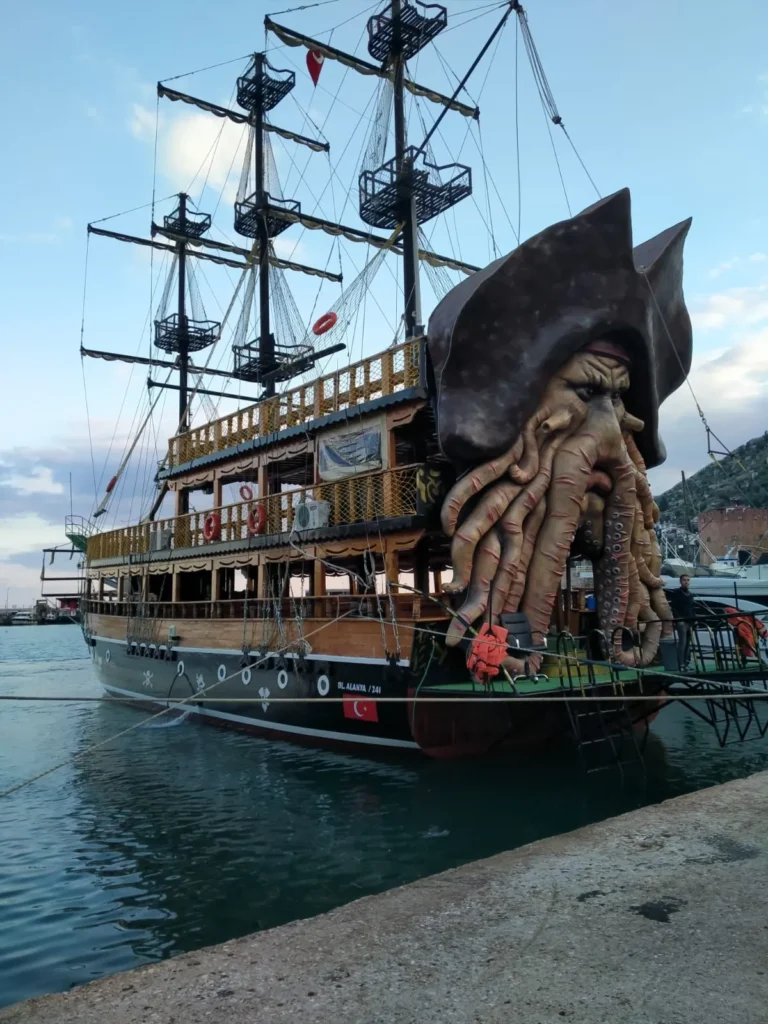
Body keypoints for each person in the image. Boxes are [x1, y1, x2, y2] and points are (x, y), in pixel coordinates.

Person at [668, 574, 696, 670]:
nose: (686, 582)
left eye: (688, 580)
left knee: (688, 643)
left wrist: (694, 619)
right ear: (680, 581)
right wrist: (678, 619)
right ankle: (681, 664)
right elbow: (673, 607)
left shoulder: (690, 594)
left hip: (689, 622)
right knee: (682, 643)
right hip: (681, 622)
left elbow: (691, 608)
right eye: (684, 580)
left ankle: (686, 662)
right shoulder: (677, 593)